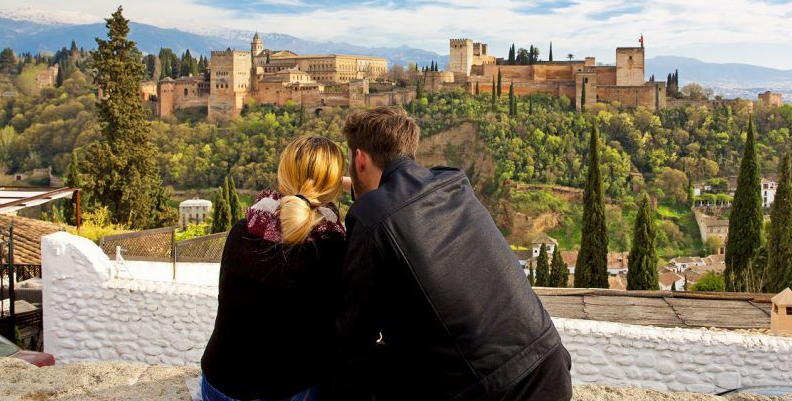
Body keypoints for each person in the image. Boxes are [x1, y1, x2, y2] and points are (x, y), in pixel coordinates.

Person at [330, 107, 573, 401]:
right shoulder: (454, 182)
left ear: (359, 159)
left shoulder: (371, 215)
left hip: (490, 392)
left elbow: (353, 333)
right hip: (550, 368)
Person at [201, 136, 349, 401]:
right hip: (284, 389)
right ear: (336, 184)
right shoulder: (332, 247)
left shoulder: (242, 229)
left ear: (282, 173)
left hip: (217, 383)